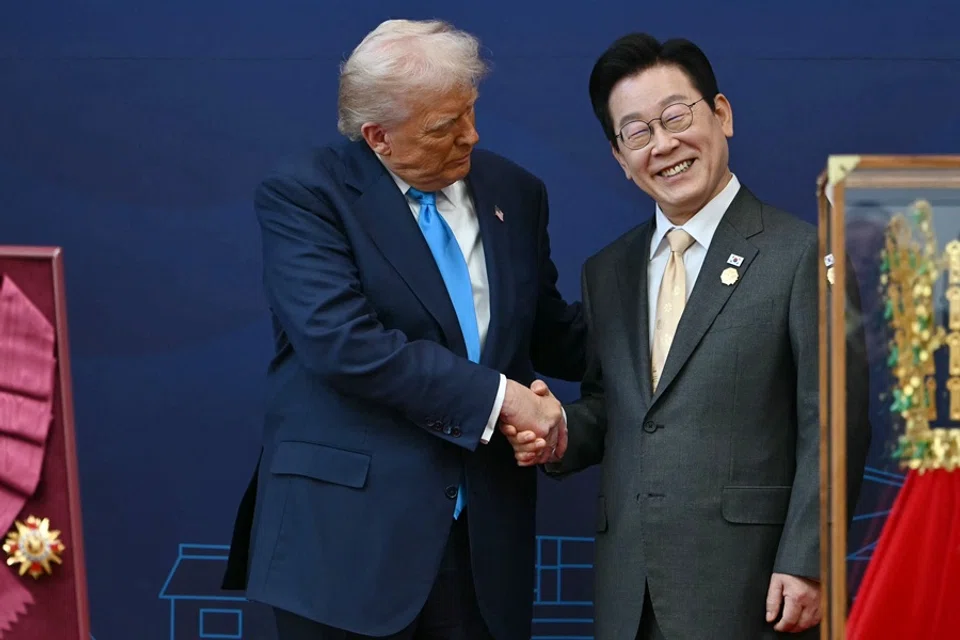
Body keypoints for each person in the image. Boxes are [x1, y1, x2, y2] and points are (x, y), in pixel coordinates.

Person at [220, 18, 585, 640]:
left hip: (481, 548)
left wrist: (667, 303)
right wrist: (504, 401)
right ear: (378, 137)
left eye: (470, 111)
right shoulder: (306, 194)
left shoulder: (515, 192)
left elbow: (546, 332)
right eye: (444, 128)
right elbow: (343, 344)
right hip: (345, 548)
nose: (471, 135)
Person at [502, 34, 871, 639]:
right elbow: (619, 409)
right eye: (637, 132)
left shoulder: (803, 253)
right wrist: (559, 431)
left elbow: (835, 422)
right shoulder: (607, 270)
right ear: (620, 157)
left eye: (676, 116)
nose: (664, 144)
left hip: (752, 587)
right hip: (629, 587)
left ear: (721, 114)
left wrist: (809, 561)